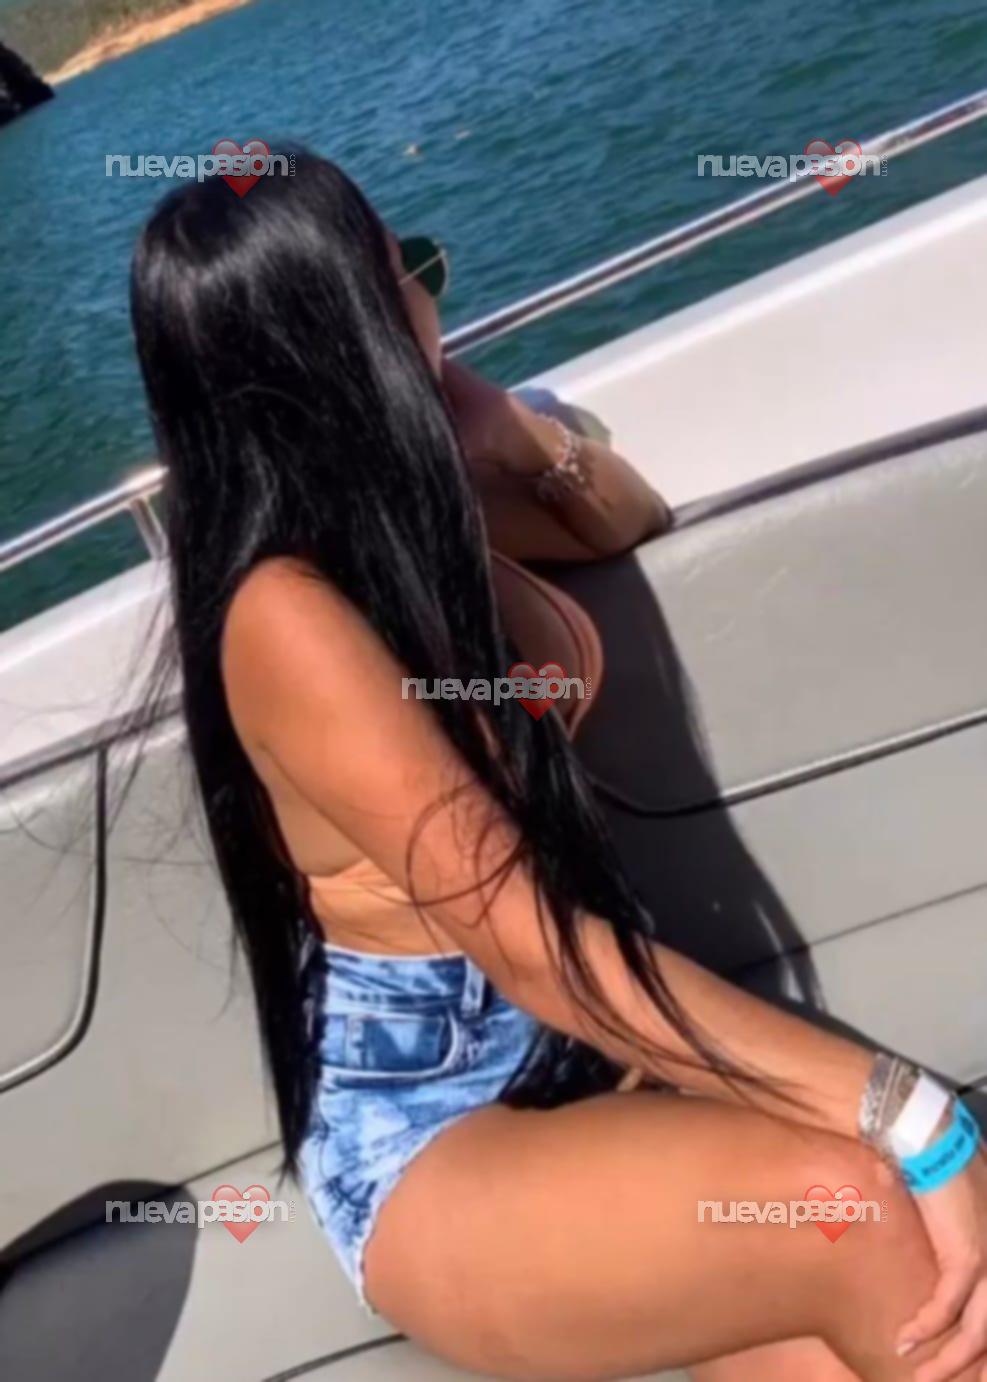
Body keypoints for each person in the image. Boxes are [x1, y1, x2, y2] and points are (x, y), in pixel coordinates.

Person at [129, 150, 987, 1382]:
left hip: (583, 1052)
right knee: (855, 1203)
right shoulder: (286, 620)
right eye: (412, 273)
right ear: (352, 328)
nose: (434, 297)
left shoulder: (419, 513)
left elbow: (625, 517)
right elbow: (529, 944)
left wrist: (501, 423)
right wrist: (913, 1111)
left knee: (877, 1310)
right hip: (430, 1133)